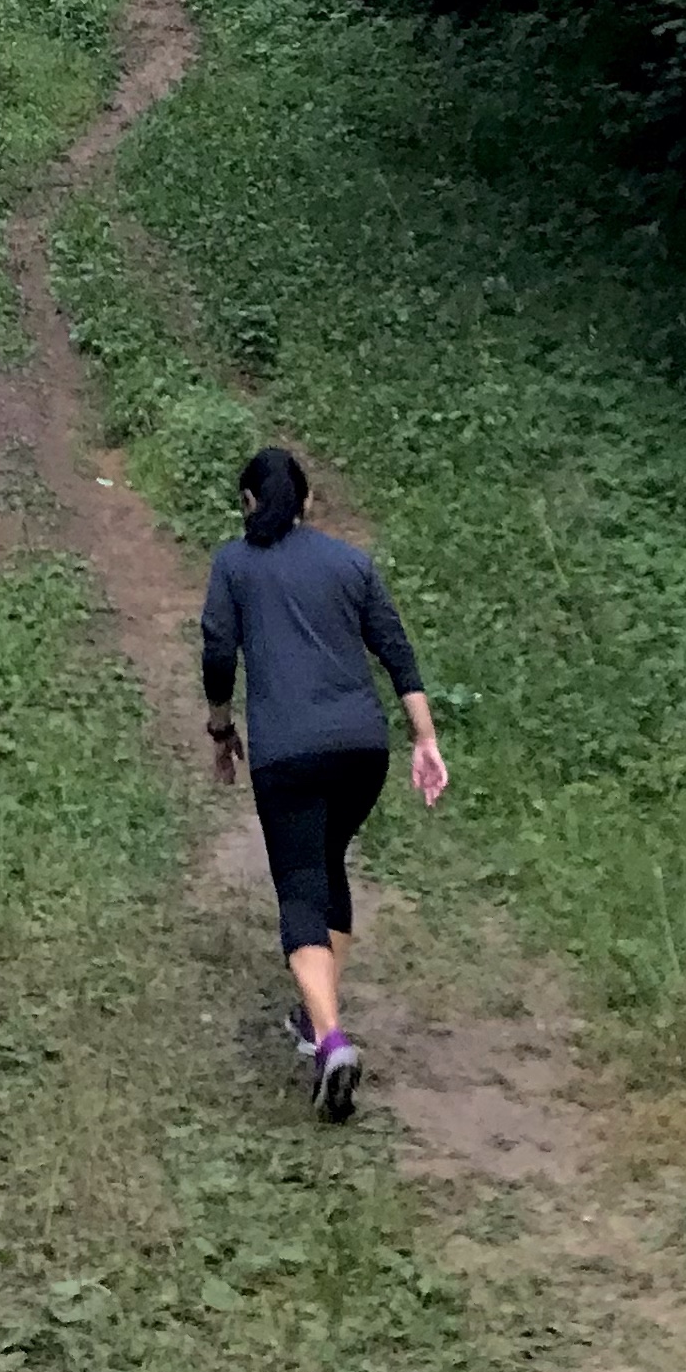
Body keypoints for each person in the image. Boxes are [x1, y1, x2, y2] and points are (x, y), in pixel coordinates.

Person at [201, 442, 447, 1122]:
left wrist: (220, 729)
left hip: (288, 755)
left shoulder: (234, 564)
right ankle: (315, 1018)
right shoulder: (350, 562)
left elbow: (218, 650)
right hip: (363, 752)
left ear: (248, 503)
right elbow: (395, 649)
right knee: (328, 862)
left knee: (300, 883)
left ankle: (331, 1040)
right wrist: (425, 737)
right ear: (309, 502)